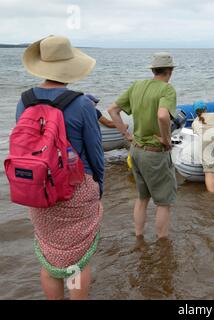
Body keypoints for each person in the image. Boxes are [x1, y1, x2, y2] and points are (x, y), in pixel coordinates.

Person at [15, 35, 104, 300]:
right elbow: (96, 154)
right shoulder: (82, 104)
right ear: (70, 66)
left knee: (49, 259)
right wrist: (100, 185)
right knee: (78, 261)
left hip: (38, 188)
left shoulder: (24, 101)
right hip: (75, 189)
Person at [108, 52, 177, 240]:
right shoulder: (166, 89)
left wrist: (125, 134)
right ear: (170, 71)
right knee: (163, 203)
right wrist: (166, 139)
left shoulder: (137, 85)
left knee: (142, 199)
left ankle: (139, 238)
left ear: (153, 69)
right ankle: (163, 244)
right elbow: (163, 115)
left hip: (136, 150)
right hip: (154, 153)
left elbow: (112, 110)